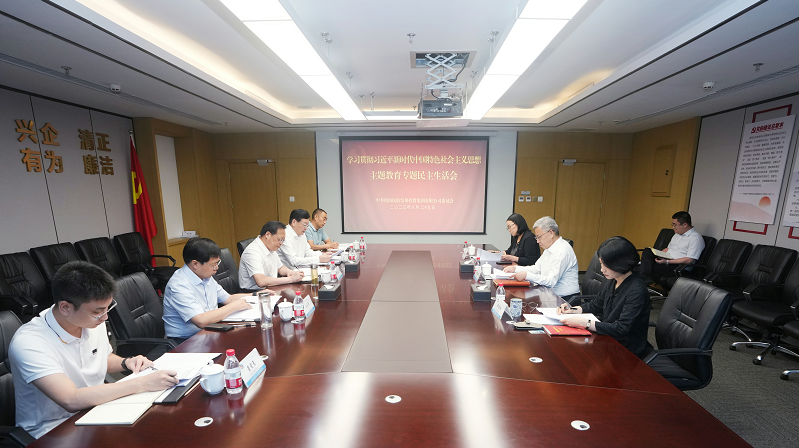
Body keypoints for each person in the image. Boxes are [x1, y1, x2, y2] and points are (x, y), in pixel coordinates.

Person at [8, 261, 179, 439]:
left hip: (96, 409)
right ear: (65, 307)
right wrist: (142, 383)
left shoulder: (90, 321)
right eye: (98, 312)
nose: (105, 318)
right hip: (52, 429)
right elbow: (70, 399)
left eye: (108, 308)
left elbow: (101, 357)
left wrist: (127, 362)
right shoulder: (30, 342)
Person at [557, 236, 653, 359]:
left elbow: (621, 328)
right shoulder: (614, 280)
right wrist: (572, 310)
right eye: (601, 264)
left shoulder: (636, 290)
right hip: (608, 338)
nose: (602, 269)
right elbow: (596, 304)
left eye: (606, 265)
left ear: (620, 263)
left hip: (627, 350)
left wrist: (585, 323)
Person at [162, 237, 269, 341]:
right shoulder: (179, 285)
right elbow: (201, 320)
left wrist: (256, 295)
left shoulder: (205, 276)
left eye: (218, 263)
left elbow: (229, 299)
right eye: (213, 264)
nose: (216, 268)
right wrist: (234, 306)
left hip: (210, 331)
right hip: (185, 341)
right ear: (195, 264)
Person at [504, 216, 579, 299]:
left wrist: (526, 275)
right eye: (536, 237)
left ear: (551, 233)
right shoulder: (549, 248)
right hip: (548, 294)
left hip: (564, 299)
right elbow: (537, 269)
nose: (537, 241)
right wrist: (515, 269)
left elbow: (551, 281)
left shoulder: (563, 250)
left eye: (539, 237)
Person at [639, 211, 705, 285]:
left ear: (685, 225)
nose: (673, 227)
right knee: (648, 251)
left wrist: (667, 262)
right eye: (672, 224)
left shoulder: (696, 238)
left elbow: (689, 260)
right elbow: (668, 248)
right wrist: (658, 255)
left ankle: (644, 277)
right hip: (667, 260)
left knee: (647, 267)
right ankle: (645, 277)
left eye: (675, 225)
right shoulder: (677, 234)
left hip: (678, 267)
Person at [239, 221, 304, 289]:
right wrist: (290, 279)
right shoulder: (252, 252)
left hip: (270, 288)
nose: (281, 243)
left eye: (283, 240)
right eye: (280, 239)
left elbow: (280, 268)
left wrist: (291, 272)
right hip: (255, 292)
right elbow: (261, 281)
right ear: (268, 235)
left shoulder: (270, 247)